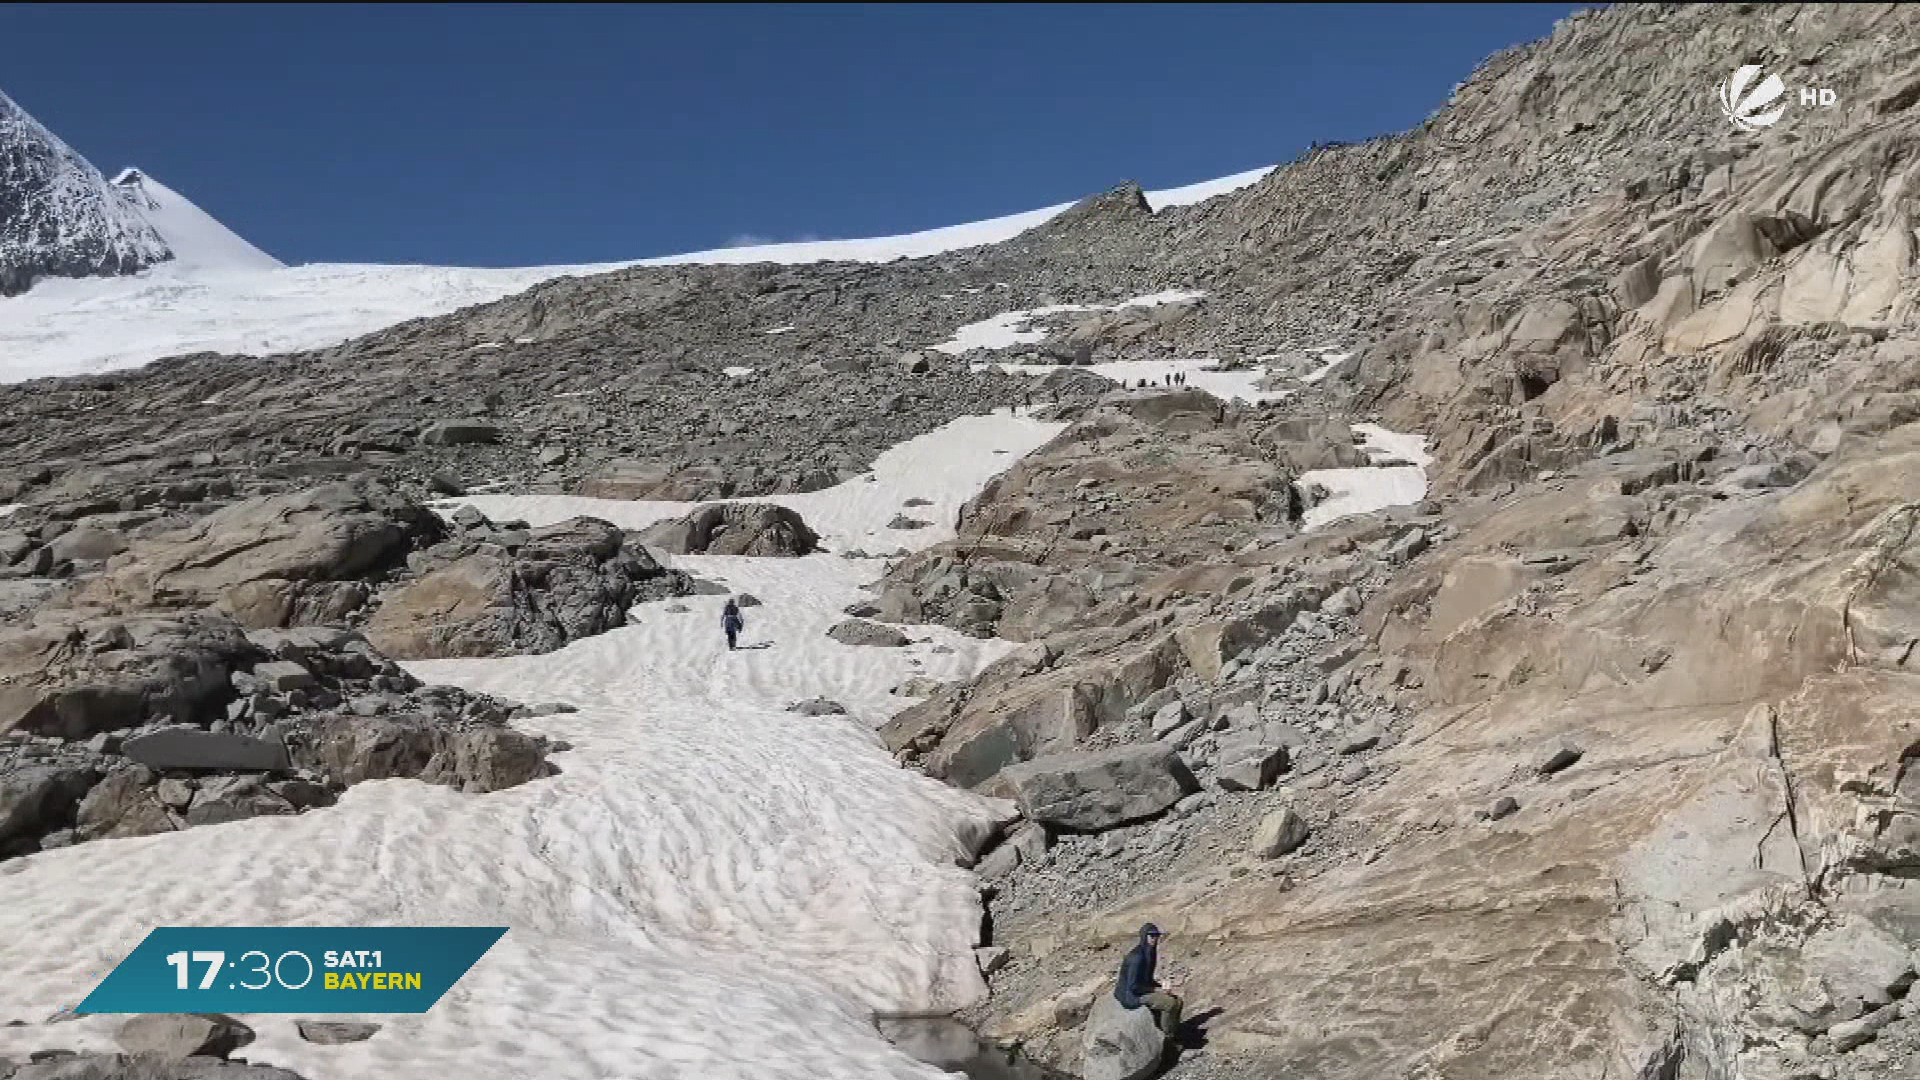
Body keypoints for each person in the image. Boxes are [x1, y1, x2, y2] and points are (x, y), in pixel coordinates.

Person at [1114, 923, 1182, 1039]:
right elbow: (1133, 987)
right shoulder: (1136, 957)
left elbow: (1147, 979)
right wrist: (1157, 989)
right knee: (1169, 1004)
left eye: (1156, 936)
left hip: (1141, 989)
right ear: (1144, 936)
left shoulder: (1150, 953)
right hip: (1130, 996)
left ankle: (1174, 1029)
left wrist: (1162, 987)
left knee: (1178, 1001)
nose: (1154, 939)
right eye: (1151, 936)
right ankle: (1168, 1037)